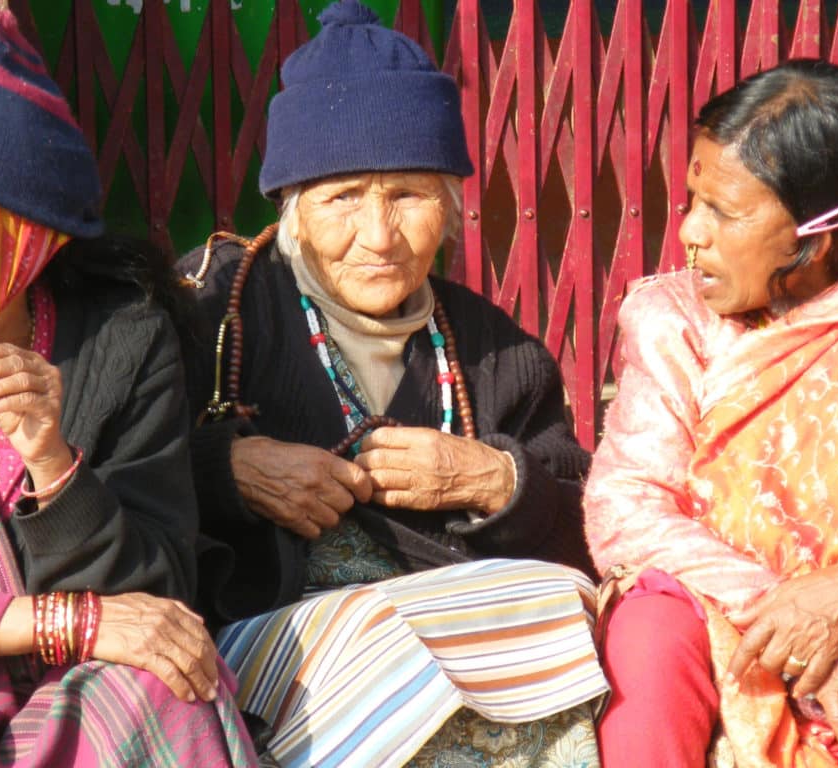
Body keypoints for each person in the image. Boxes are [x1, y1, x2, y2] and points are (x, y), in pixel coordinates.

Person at [177, 1, 607, 765]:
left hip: (467, 633)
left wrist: (498, 481)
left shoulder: (496, 348)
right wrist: (224, 468)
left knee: (565, 605)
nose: (378, 237)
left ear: (449, 208)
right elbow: (116, 474)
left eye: (408, 195)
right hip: (283, 642)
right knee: (382, 636)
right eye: (343, 197)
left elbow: (591, 528)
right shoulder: (214, 309)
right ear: (294, 210)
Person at [0, 12, 256, 766]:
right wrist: (60, 622)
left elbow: (156, 598)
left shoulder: (120, 345)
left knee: (167, 685)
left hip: (59, 712)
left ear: (17, 245)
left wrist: (53, 465)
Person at [585, 58, 838, 768]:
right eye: (693, 200)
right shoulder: (674, 320)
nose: (689, 233)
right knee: (649, 627)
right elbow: (626, 506)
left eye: (725, 213)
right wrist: (789, 614)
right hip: (723, 610)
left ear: (817, 234)